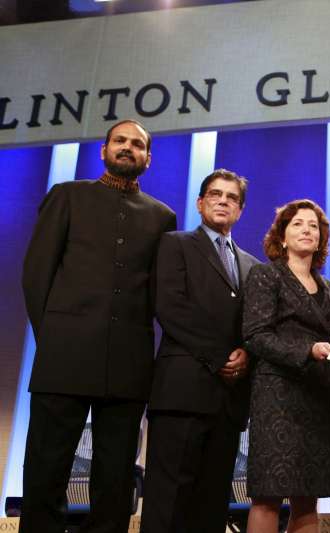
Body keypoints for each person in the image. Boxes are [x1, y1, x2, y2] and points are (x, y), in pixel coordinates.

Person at [20, 119, 176, 533]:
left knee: (116, 476)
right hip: (64, 357)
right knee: (46, 466)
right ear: (104, 150)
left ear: (148, 158)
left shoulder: (162, 216)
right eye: (119, 141)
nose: (127, 147)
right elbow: (36, 275)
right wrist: (53, 337)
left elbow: (157, 293)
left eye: (137, 144)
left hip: (128, 364)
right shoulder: (67, 195)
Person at [140, 169, 260, 533]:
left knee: (211, 506)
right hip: (182, 395)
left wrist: (247, 353)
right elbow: (171, 307)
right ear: (199, 202)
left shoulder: (252, 265)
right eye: (215, 194)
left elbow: (256, 325)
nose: (223, 201)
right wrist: (220, 357)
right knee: (167, 504)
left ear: (241, 210)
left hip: (228, 401)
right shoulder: (173, 244)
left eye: (232, 197)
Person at [243, 199, 330, 533]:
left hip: (318, 397)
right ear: (282, 236)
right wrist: (307, 350)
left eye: (314, 226)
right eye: (297, 224)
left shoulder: (328, 288)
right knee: (268, 495)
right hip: (278, 397)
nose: (307, 230)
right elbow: (256, 336)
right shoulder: (266, 274)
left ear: (321, 239)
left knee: (308, 495)